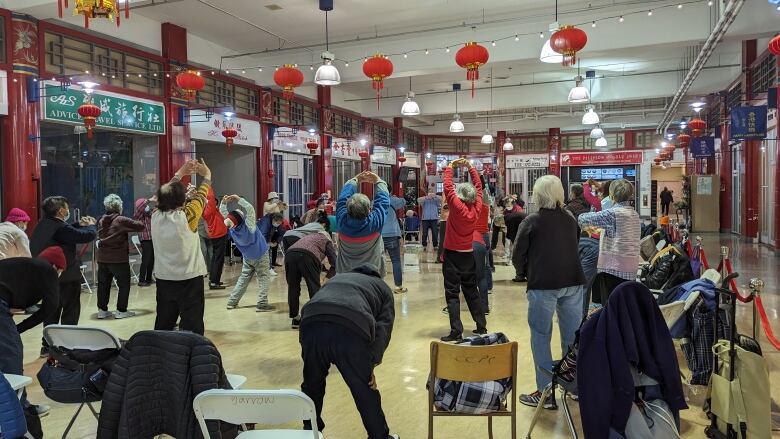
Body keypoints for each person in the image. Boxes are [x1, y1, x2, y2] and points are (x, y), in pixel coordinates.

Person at [299, 264, 398, 439]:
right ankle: (379, 436)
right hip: (351, 326)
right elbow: (383, 329)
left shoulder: (337, 278)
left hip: (311, 321)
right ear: (377, 276)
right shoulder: (382, 287)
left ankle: (310, 431)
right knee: (364, 388)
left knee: (312, 384)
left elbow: (317, 302)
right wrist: (371, 363)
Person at [512, 175, 586, 408]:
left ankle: (545, 393)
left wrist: (524, 271)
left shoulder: (531, 220)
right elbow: (576, 243)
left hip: (543, 283)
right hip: (573, 281)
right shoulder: (570, 218)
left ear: (537, 194)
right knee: (573, 337)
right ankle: (573, 387)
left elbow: (517, 255)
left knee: (541, 336)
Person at [0, 248, 65, 417]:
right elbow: (51, 306)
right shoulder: (49, 270)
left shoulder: (25, 267)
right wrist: (19, 329)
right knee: (11, 355)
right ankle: (21, 409)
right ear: (56, 267)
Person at [30, 195, 97, 357]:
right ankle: (68, 345)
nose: (68, 211)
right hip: (66, 277)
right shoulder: (60, 228)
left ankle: (47, 346)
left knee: (51, 311)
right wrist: (91, 226)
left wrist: (78, 224)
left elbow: (66, 232)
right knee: (70, 310)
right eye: (66, 208)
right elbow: (85, 236)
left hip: (47, 277)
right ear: (61, 211)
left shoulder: (42, 225)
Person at [152, 159, 211, 335]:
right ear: (182, 199)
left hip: (164, 278)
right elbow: (201, 195)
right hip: (189, 279)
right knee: (192, 324)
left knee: (164, 321)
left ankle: (160, 354)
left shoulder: (155, 216)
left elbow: (161, 196)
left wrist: (180, 173)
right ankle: (190, 357)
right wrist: (207, 176)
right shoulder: (188, 216)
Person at [440, 158, 487, 343]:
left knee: (452, 294)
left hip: (452, 255)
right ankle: (481, 325)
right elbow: (479, 187)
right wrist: (471, 167)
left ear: (459, 196)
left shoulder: (456, 206)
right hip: (468, 255)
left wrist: (450, 167)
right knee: (471, 291)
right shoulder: (477, 208)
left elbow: (447, 186)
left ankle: (456, 331)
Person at [578, 179, 641, 305]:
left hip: (613, 269)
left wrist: (604, 207)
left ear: (612, 195)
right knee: (624, 306)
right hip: (631, 269)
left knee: (611, 308)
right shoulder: (634, 214)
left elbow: (582, 219)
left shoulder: (612, 214)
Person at [220, 195, 275, 312]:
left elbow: (226, 215)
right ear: (241, 219)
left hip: (247, 257)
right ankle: (262, 304)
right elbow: (250, 209)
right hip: (260, 255)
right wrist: (238, 199)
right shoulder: (249, 226)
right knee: (264, 278)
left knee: (243, 279)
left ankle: (232, 302)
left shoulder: (232, 228)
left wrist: (223, 203)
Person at [96, 194, 145, 319]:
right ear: (119, 207)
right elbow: (140, 226)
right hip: (118, 258)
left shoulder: (101, 220)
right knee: (124, 284)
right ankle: (121, 310)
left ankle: (102, 310)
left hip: (102, 258)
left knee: (103, 285)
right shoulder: (121, 220)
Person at [336, 171, 389, 275]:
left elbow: (342, 199)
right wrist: (378, 181)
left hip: (344, 274)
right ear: (369, 209)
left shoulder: (341, 221)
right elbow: (383, 201)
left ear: (347, 209)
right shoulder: (375, 222)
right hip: (371, 275)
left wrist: (355, 179)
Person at [286, 228, 337, 328]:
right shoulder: (326, 241)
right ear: (328, 236)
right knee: (314, 287)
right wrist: (327, 277)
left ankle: (295, 319)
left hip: (289, 254)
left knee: (293, 287)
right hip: (308, 256)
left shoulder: (309, 237)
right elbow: (335, 263)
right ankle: (316, 317)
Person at [202, 187, 228, 290]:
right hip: (219, 235)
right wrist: (208, 185)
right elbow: (211, 198)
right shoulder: (209, 209)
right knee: (218, 259)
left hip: (217, 235)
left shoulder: (209, 210)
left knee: (216, 259)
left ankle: (214, 280)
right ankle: (214, 282)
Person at [381, 193, 407, 294]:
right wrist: (394, 197)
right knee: (396, 261)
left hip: (379, 235)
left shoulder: (375, 201)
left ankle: (378, 286)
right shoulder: (392, 200)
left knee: (378, 261)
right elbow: (404, 201)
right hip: (392, 234)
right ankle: (398, 287)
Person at [133, 196, 156, 287]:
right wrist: (149, 200)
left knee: (152, 260)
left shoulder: (149, 214)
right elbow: (140, 208)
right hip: (145, 240)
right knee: (145, 260)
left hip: (152, 239)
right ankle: (141, 280)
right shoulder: (138, 215)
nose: (146, 207)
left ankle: (149, 279)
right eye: (144, 205)